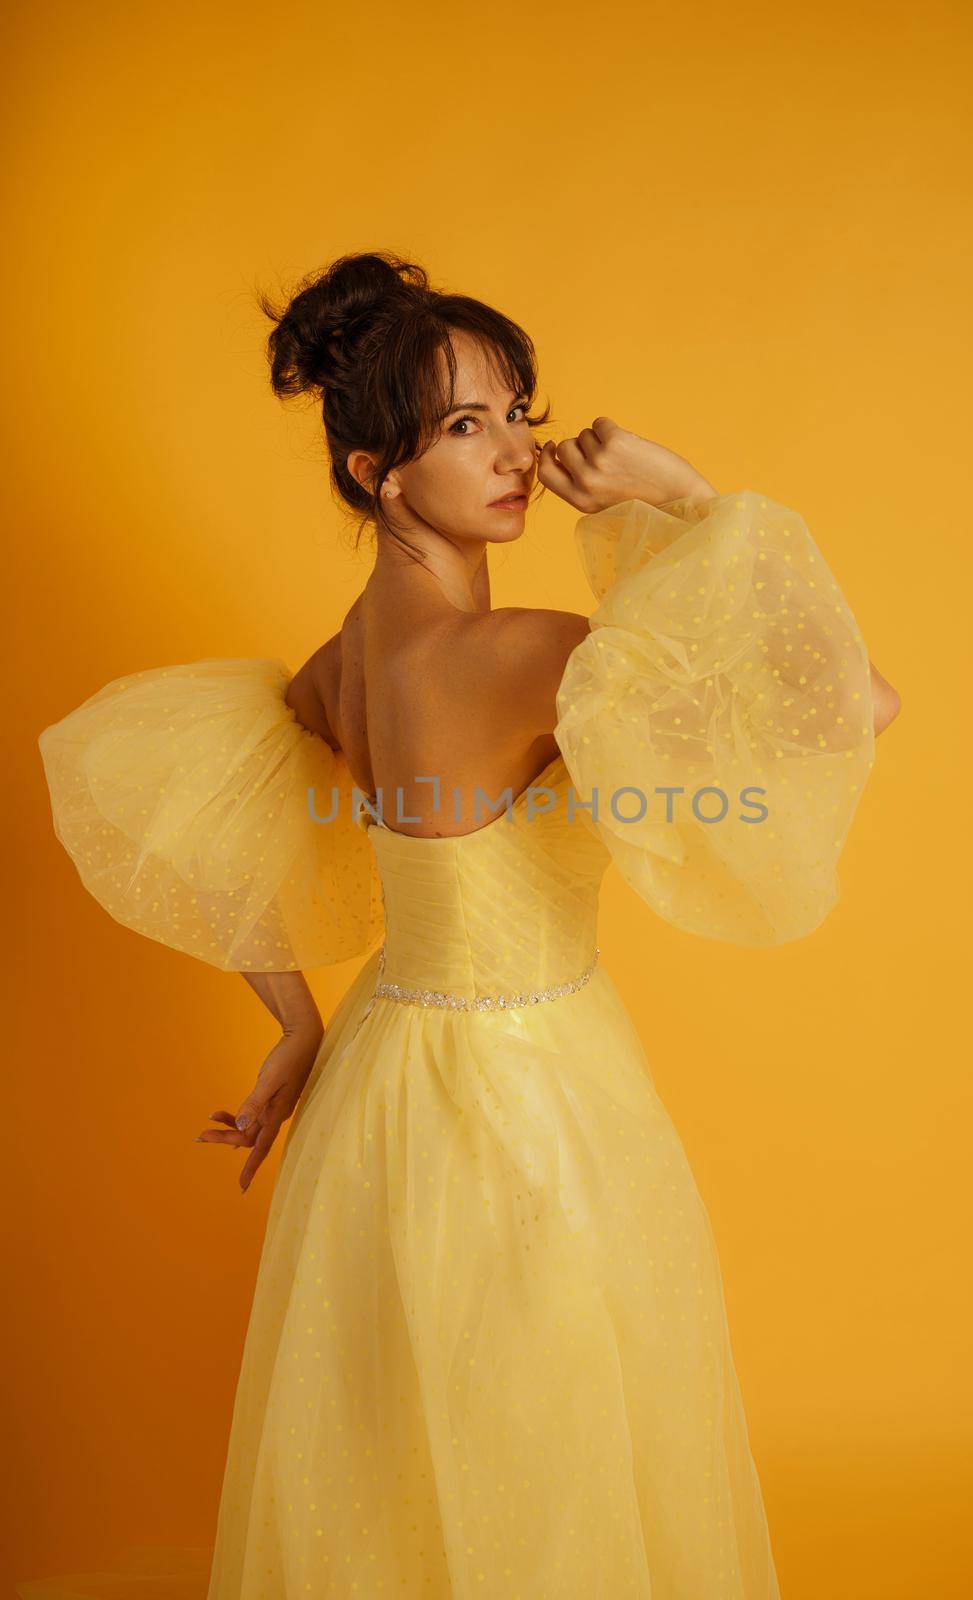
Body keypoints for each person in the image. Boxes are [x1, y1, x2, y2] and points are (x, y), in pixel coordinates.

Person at [33, 249, 900, 1599]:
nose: (518, 451)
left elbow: (213, 815)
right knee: (541, 1457)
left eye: (517, 408)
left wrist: (296, 1028)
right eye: (464, 425)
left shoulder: (347, 660)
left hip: (383, 1083)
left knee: (408, 1465)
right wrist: (680, 494)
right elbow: (852, 703)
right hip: (521, 1096)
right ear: (379, 470)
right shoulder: (521, 660)